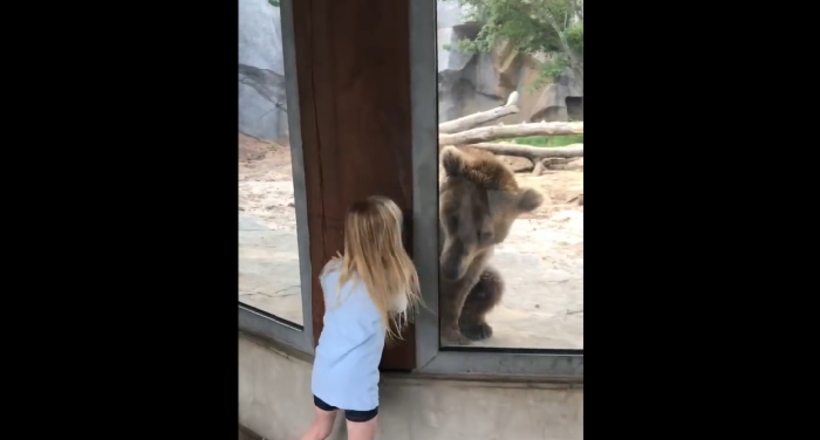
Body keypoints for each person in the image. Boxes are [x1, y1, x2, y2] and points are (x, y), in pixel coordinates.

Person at [299, 195, 422, 440]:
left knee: (320, 428)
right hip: (357, 380)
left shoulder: (331, 272)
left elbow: (332, 310)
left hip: (325, 368)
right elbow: (399, 307)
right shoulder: (390, 283)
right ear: (391, 238)